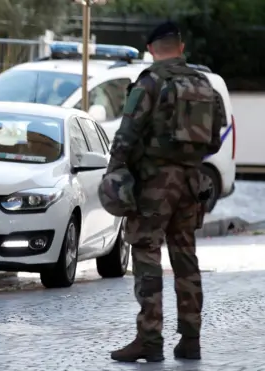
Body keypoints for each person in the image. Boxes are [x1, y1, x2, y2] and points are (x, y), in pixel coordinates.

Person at [105, 21, 224, 363]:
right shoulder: (205, 84)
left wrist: (116, 173)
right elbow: (214, 140)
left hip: (155, 184)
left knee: (146, 253)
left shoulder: (151, 82)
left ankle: (149, 339)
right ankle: (191, 339)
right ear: (181, 47)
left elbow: (127, 134)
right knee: (185, 257)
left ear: (152, 49)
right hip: (192, 182)